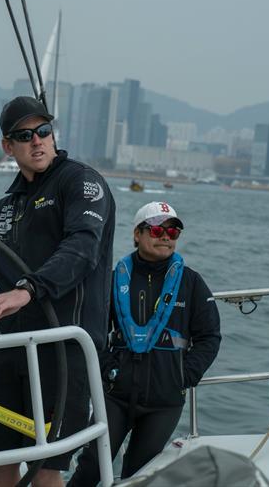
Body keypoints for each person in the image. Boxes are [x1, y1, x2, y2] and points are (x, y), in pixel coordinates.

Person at [0, 96, 116, 487]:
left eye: (44, 131)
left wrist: (29, 289)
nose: (38, 141)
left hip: (62, 350)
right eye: (25, 136)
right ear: (8, 146)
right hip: (11, 350)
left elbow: (82, 248)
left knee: (47, 467)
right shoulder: (7, 206)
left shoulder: (81, 182)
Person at [69, 201, 221, 486]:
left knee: (139, 476)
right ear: (137, 234)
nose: (165, 236)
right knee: (90, 468)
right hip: (115, 394)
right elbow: (94, 330)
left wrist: (183, 375)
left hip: (164, 401)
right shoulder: (114, 280)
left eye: (173, 231)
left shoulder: (192, 284)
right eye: (156, 229)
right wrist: (106, 368)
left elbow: (209, 337)